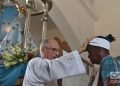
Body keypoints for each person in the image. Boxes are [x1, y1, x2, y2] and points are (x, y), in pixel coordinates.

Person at [23, 37, 92, 86]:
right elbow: (54, 65)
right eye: (54, 49)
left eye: (58, 50)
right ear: (44, 50)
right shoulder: (35, 62)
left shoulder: (51, 68)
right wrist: (80, 49)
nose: (57, 54)